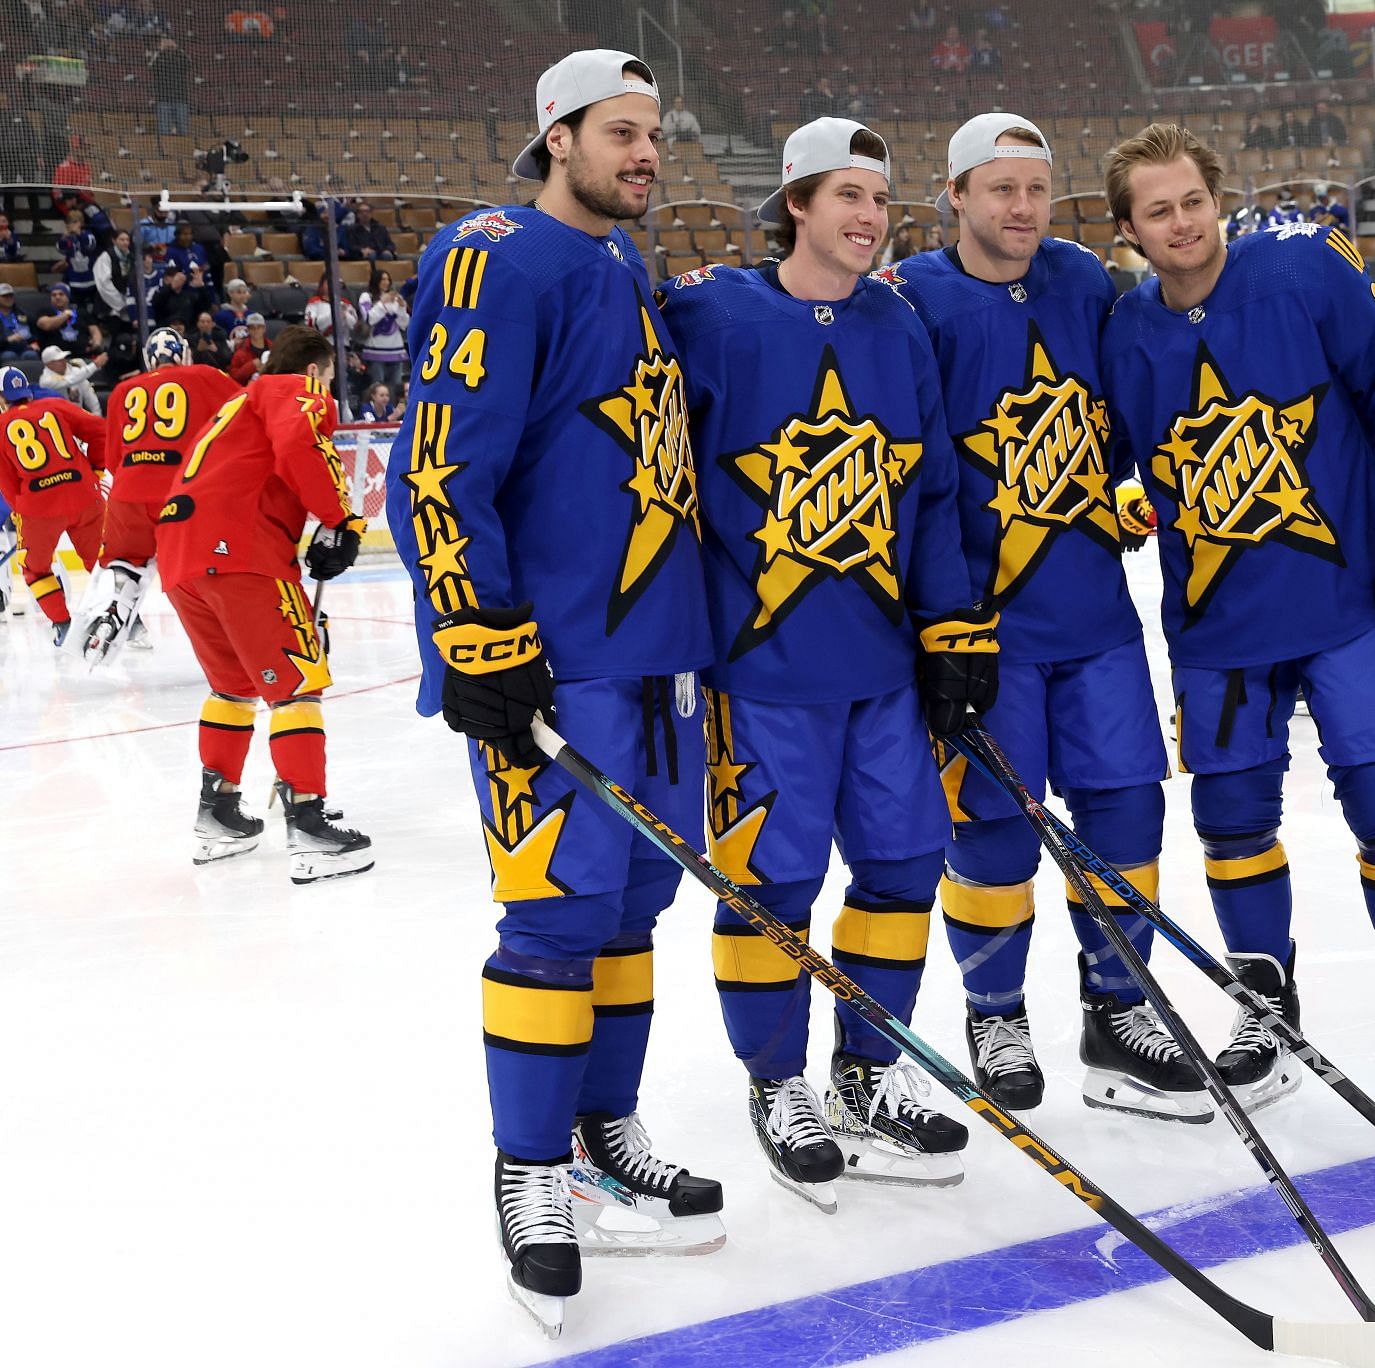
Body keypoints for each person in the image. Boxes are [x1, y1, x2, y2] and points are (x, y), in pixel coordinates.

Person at [385, 50, 724, 1336]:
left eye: (654, 135)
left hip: (657, 653)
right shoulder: (492, 251)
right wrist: (476, 631)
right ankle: (528, 1170)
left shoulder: (623, 266)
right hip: (558, 660)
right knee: (554, 921)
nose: (644, 153)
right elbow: (437, 463)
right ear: (556, 137)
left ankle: (603, 1134)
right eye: (620, 132)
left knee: (634, 910)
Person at [1098, 123, 1375, 1112]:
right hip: (1218, 629)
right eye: (1158, 211)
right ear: (1128, 228)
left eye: (1192, 200)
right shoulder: (1125, 332)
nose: (1182, 223)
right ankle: (1264, 999)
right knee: (1230, 823)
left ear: (1215, 197)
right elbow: (1123, 473)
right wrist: (1142, 511)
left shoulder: (1306, 273)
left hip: (1347, 604)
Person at [657, 117, 991, 1210]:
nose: (866, 217)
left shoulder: (895, 324)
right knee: (771, 885)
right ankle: (777, 1083)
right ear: (793, 202)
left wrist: (951, 629)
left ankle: (865, 1073)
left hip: (885, 669)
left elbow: (935, 492)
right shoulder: (711, 312)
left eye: (880, 200)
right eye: (844, 195)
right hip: (762, 673)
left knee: (902, 867)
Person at [886, 115, 1205, 1118]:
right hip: (983, 629)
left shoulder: (1079, 279)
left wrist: (1118, 485)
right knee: (989, 829)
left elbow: (1115, 417)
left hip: (1095, 616)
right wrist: (937, 619)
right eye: (999, 189)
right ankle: (995, 1010)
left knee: (1128, 813)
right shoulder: (913, 301)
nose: (1021, 208)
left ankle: (1118, 1015)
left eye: (1036, 188)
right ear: (955, 197)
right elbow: (911, 471)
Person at [154, 323, 371, 880]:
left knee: (234, 687)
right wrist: (340, 517)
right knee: (297, 683)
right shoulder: (292, 389)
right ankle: (308, 822)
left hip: (182, 556)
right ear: (316, 370)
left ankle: (219, 813)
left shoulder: (234, 404)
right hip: (241, 552)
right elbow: (302, 443)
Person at [78, 327, 242, 663]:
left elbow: (112, 459)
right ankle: (229, 637)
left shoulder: (123, 390)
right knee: (202, 568)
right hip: (182, 493)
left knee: (128, 563)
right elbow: (243, 417)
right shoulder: (205, 376)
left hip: (128, 494)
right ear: (182, 353)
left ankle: (114, 612)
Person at [0, 364, 107, 646]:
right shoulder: (56, 406)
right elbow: (101, 431)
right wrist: (96, 468)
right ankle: (128, 624)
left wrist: (21, 510)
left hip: (39, 508)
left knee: (35, 570)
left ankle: (63, 625)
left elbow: (7, 482)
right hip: (84, 494)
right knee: (101, 560)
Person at [357, 268, 409, 396]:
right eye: (383, 279)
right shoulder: (366, 297)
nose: (386, 282)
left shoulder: (396, 298)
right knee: (377, 388)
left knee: (396, 389)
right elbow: (369, 319)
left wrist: (402, 308)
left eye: (388, 279)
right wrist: (382, 303)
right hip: (376, 350)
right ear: (376, 280)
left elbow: (404, 324)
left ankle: (394, 414)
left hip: (396, 349)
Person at [36, 345, 103, 414]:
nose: (64, 362)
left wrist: (97, 415)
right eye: (59, 360)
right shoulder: (46, 380)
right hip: (57, 417)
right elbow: (69, 380)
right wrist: (94, 365)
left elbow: (90, 396)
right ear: (49, 364)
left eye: (63, 358)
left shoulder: (75, 371)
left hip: (77, 415)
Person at [229, 313, 269, 384]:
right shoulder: (240, 351)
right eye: (252, 327)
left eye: (259, 327)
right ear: (248, 330)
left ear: (264, 329)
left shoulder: (273, 348)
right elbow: (233, 377)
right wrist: (251, 366)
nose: (256, 330)